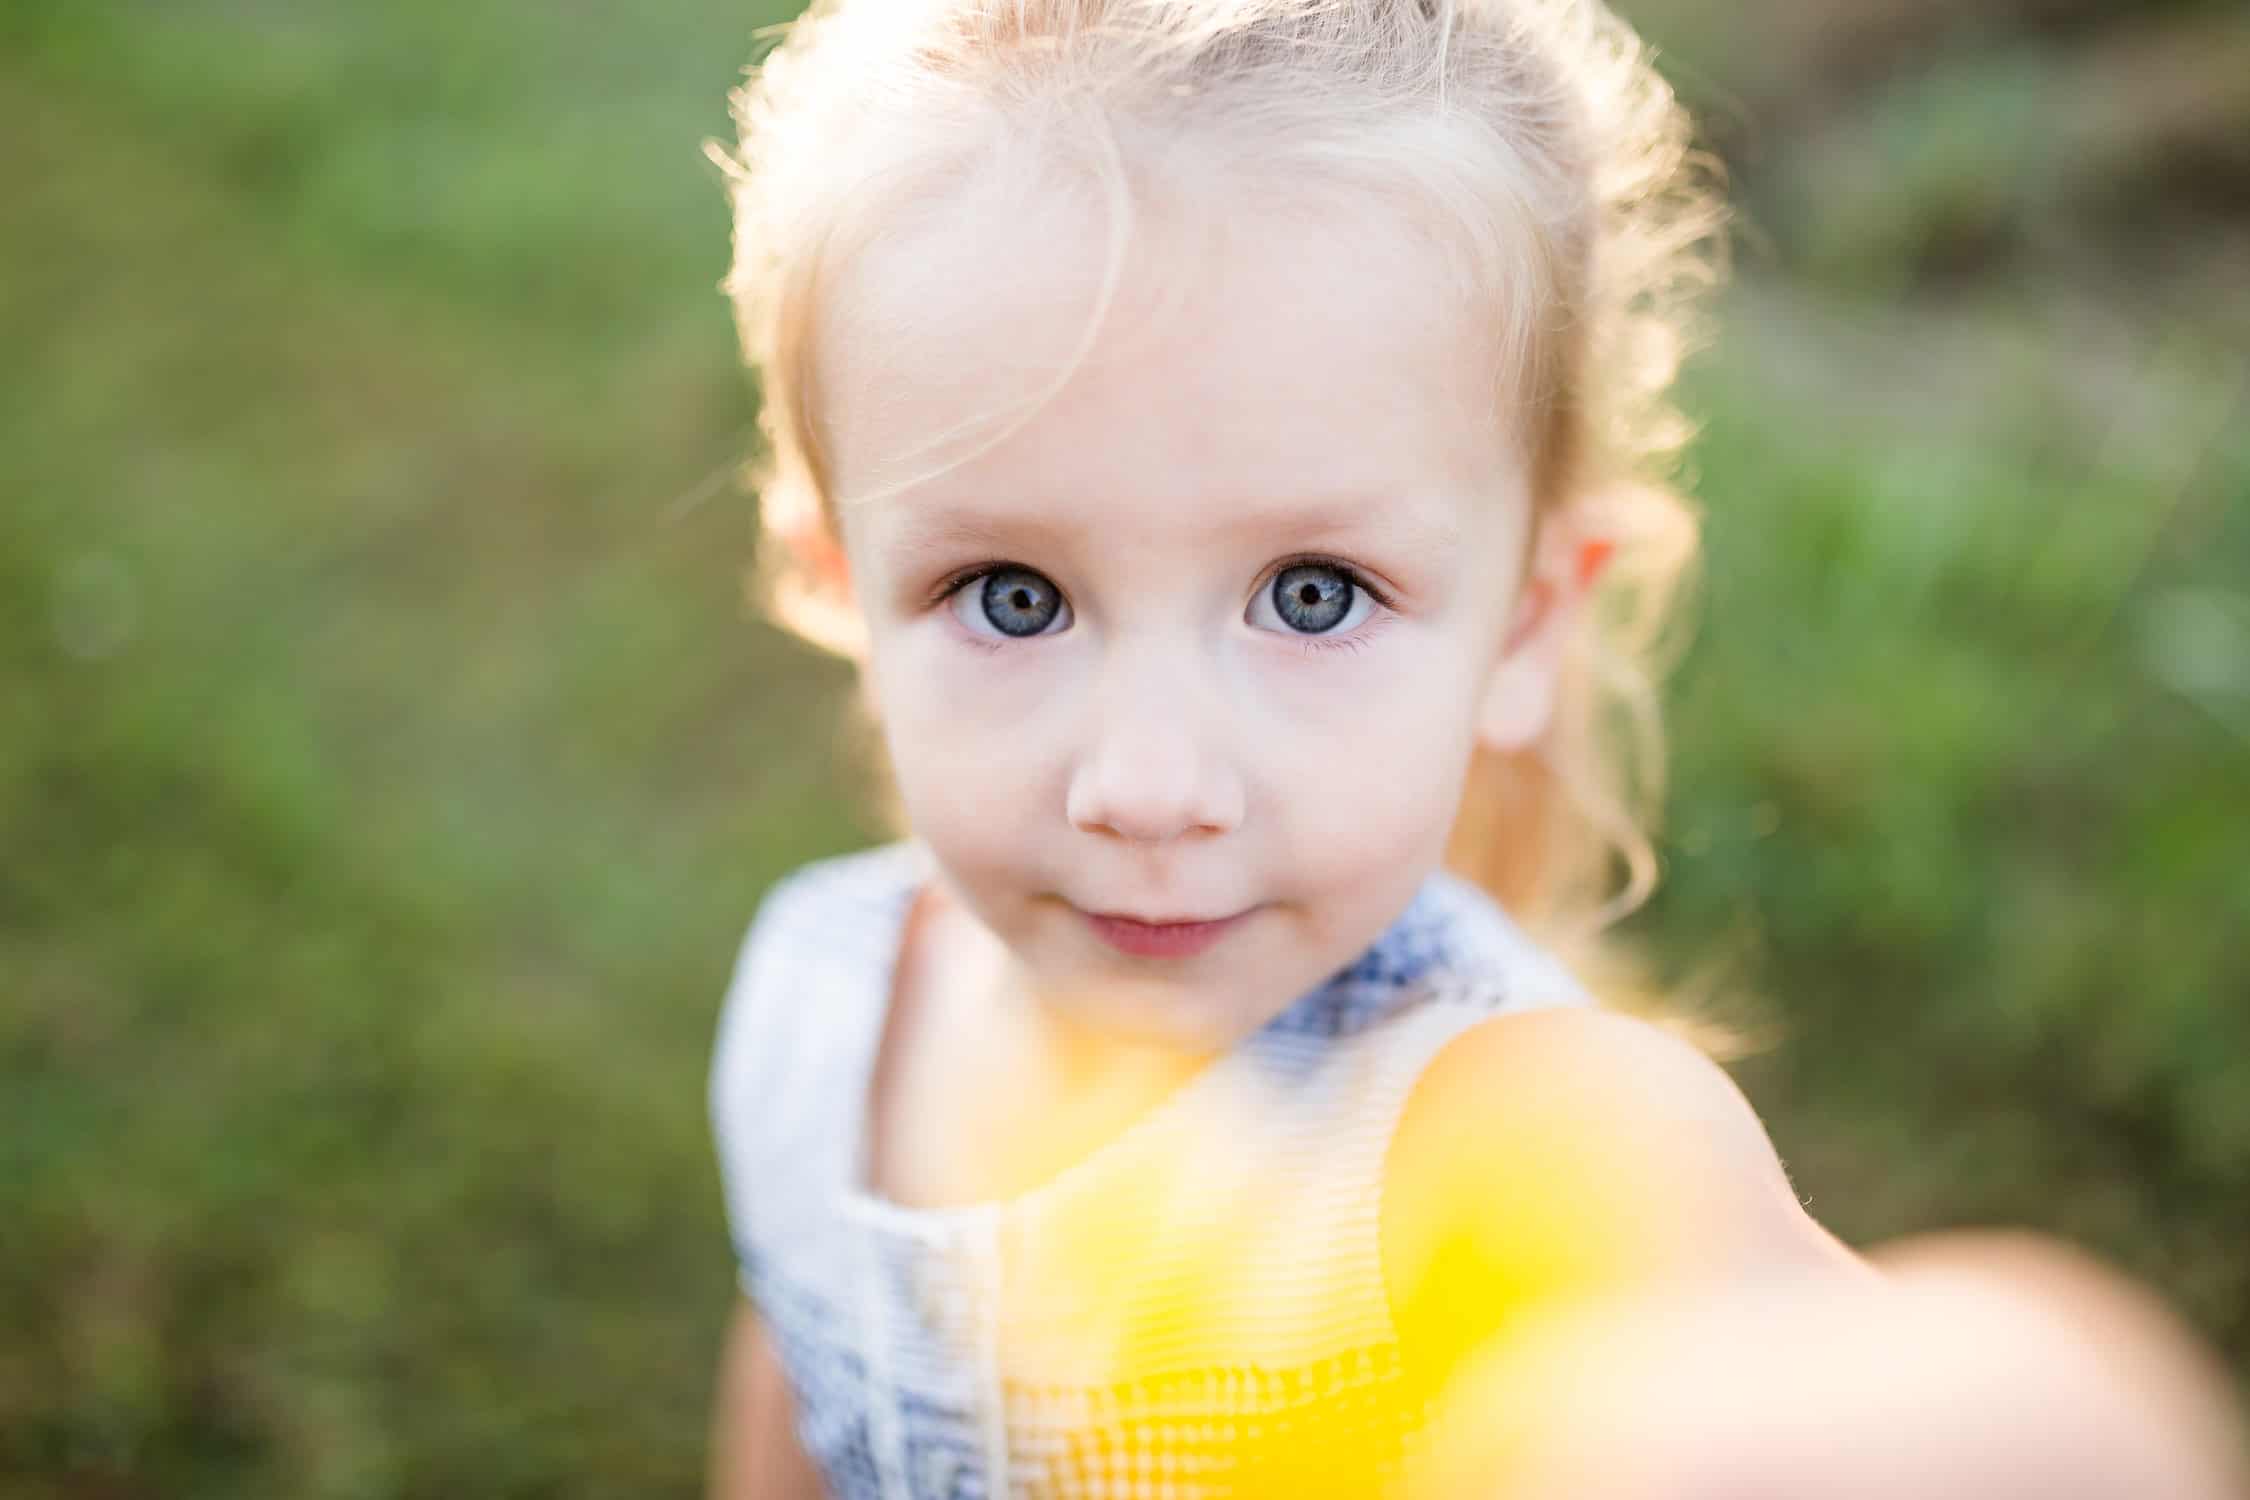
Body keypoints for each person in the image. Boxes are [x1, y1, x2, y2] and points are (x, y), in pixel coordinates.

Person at [698, 0, 2246, 1494]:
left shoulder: (1508, 1143)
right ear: (836, 579)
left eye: (1312, 598)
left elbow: (1990, 1433)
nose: (1149, 788)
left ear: (1521, 625)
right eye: (1011, 596)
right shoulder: (827, 999)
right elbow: (804, 1369)